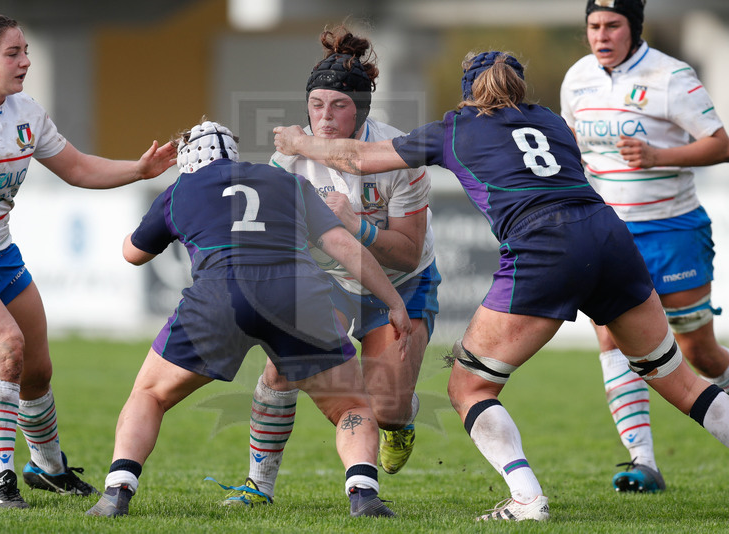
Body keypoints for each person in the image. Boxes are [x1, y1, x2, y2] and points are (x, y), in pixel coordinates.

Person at [273, 50, 729, 522]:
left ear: (468, 93)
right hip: (610, 236)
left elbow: (355, 158)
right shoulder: (551, 120)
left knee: (468, 387)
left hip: (544, 245)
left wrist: (299, 142)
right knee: (679, 380)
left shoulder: (457, 126)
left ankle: (527, 500)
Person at [85, 120, 412, 518]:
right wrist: (393, 301)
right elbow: (341, 244)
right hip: (297, 297)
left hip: (220, 297)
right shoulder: (288, 182)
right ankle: (363, 493)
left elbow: (133, 254)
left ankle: (117, 490)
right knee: (350, 405)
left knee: (150, 395)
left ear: (187, 161)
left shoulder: (181, 189)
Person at [0, 13, 176, 509]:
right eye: (13, 53)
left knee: (36, 372)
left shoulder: (26, 112)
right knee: (4, 348)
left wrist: (139, 169)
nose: (25, 61)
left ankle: (48, 468)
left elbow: (78, 168)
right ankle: (0, 484)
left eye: (26, 51)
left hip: (0, 256)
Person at [218, 25, 440, 507]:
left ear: (361, 109)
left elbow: (406, 252)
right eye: (316, 104)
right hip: (329, 280)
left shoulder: (398, 155)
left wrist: (354, 226)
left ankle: (400, 420)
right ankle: (258, 485)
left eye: (338, 105)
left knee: (387, 407)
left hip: (402, 282)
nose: (323, 116)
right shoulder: (287, 162)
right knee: (283, 369)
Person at [560, 0, 729, 494]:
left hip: (671, 230)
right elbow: (572, 144)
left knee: (699, 352)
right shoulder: (577, 78)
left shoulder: (671, 76)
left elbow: (720, 144)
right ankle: (643, 464)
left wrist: (658, 156)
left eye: (612, 25)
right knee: (613, 340)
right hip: (609, 234)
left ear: (633, 28)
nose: (601, 34)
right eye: (594, 25)